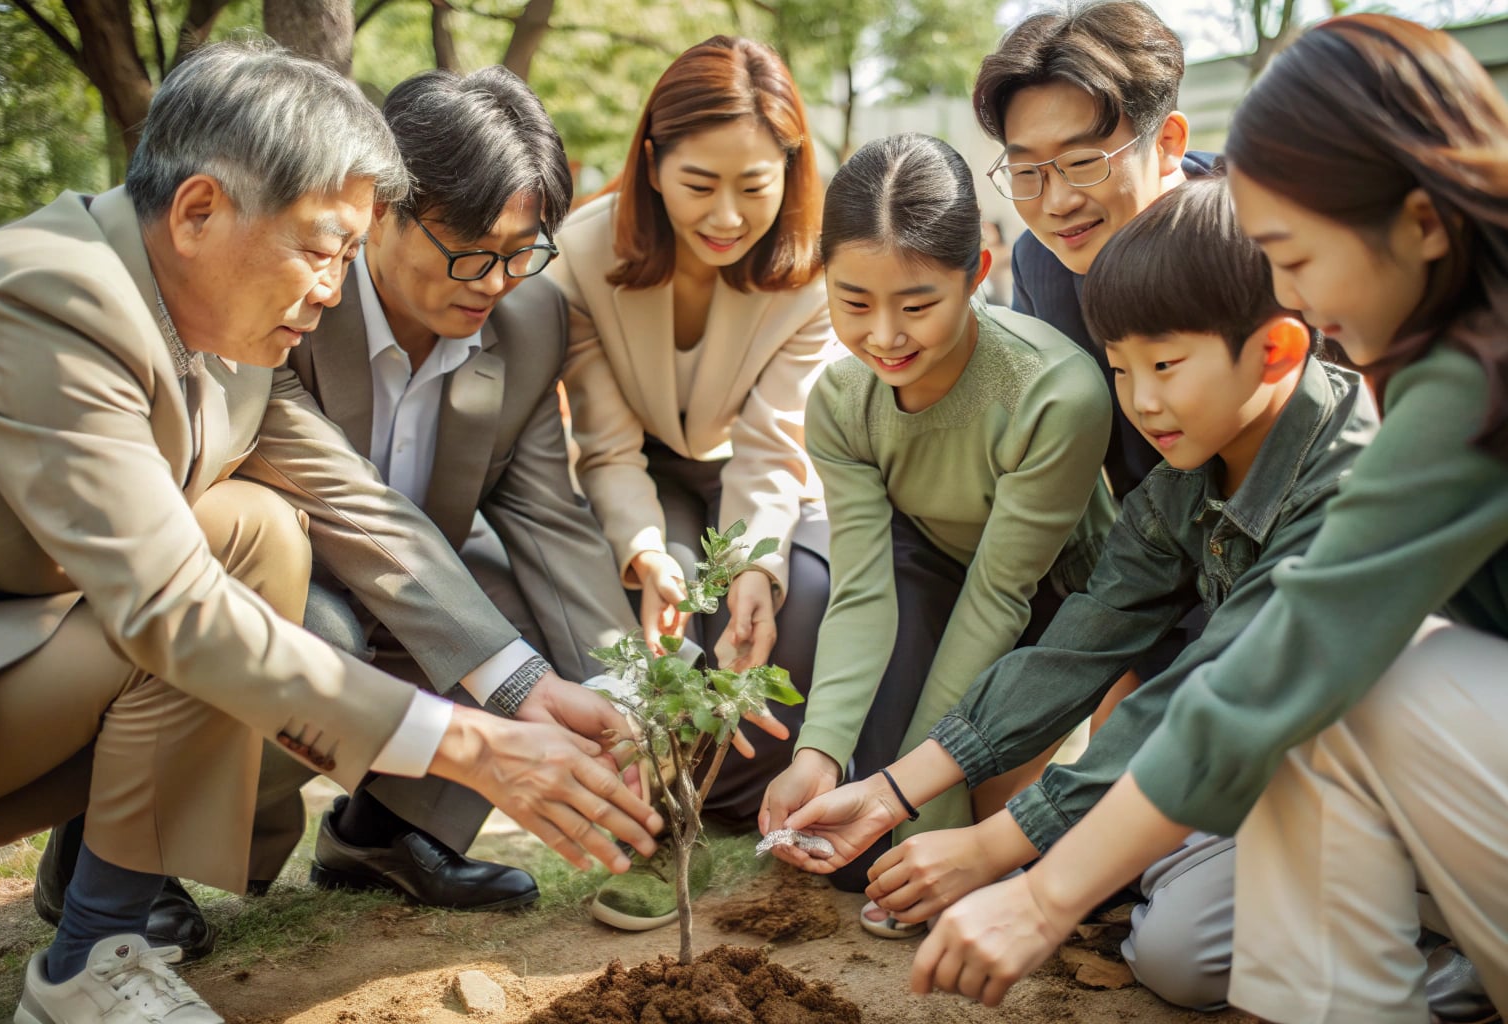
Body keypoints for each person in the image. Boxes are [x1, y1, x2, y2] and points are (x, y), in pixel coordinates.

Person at [822, 14, 1508, 1020]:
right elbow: (1099, 626)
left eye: (1295, 255)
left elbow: (1276, 658)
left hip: (1391, 705)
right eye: (1119, 369)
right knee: (1199, 892)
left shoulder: (1395, 400)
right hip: (1351, 713)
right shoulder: (1182, 435)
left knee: (1337, 680)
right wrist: (894, 790)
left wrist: (1034, 880)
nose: (1290, 292)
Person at [0, 42, 660, 1024]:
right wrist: (474, 746)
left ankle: (97, 946)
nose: (336, 289)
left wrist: (530, 692)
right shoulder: (52, 295)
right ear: (199, 211)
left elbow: (357, 505)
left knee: (255, 528)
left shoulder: (216, 321)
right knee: (235, 593)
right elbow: (171, 608)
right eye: (322, 248)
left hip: (32, 650)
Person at [774, 173, 1377, 1009]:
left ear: (1274, 350)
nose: (1143, 403)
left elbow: (1204, 695)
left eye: (1165, 366)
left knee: (1164, 933)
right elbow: (1081, 640)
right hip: (1278, 766)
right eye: (1122, 370)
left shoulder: (1350, 478)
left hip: (1388, 768)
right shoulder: (1185, 474)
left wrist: (997, 848)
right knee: (1165, 929)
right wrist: (889, 793)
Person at [245, 65, 643, 912]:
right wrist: (515, 682)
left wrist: (628, 698)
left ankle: (387, 834)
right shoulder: (292, 299)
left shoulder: (531, 323)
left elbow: (550, 518)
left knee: (516, 600)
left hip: (410, 595)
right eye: (471, 249)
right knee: (328, 629)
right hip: (274, 583)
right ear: (381, 209)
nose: (494, 282)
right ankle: (129, 854)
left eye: (522, 252)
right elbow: (346, 501)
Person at [762, 134, 1116, 927]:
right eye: (855, 303)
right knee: (863, 864)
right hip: (929, 574)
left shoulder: (1053, 391)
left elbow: (1001, 594)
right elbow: (862, 589)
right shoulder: (841, 403)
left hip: (1054, 599)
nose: (886, 337)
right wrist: (819, 751)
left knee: (927, 832)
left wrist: (917, 798)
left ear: (977, 273)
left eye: (918, 306)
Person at [548, 36, 835, 929]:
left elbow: (773, 446)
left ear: (790, 172)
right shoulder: (582, 253)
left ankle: (727, 806)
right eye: (700, 184)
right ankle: (666, 813)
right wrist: (645, 554)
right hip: (643, 470)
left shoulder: (812, 271)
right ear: (651, 163)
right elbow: (605, 444)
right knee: (663, 625)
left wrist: (754, 565)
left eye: (755, 186)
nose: (727, 216)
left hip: (763, 472)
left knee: (795, 600)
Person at [974, 0, 1214, 500]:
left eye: (1083, 162)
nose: (1057, 203)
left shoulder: (1264, 224)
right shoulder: (1040, 262)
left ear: (1167, 142)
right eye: (1025, 172)